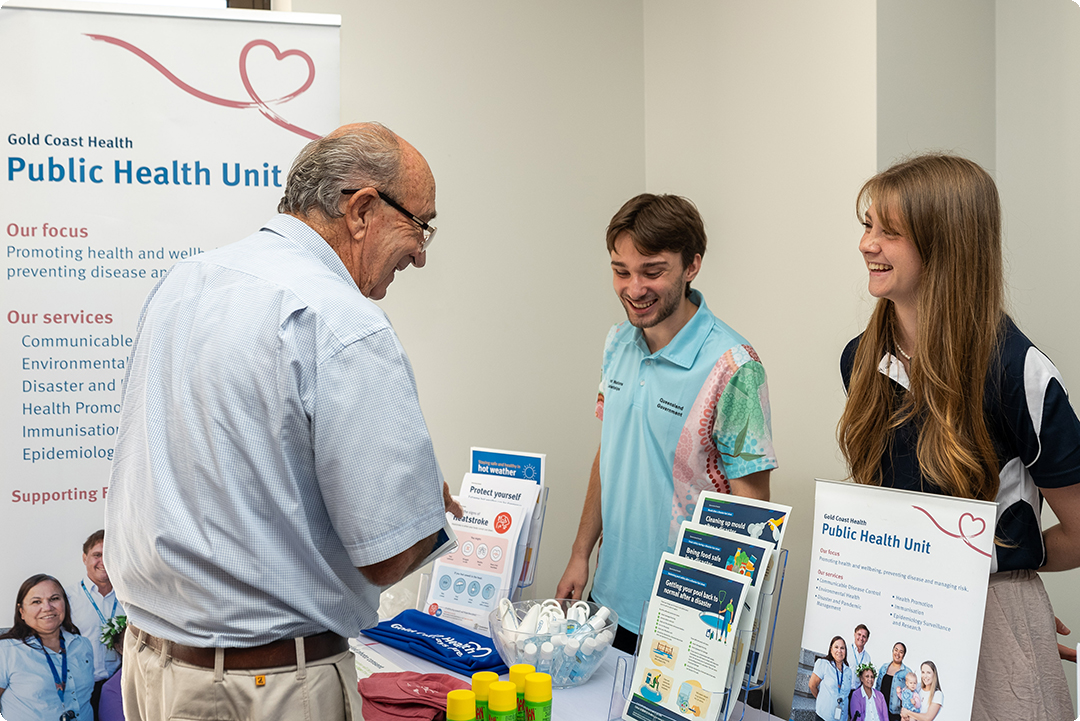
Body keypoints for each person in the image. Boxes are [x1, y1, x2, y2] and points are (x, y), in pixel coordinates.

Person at [105, 122, 462, 721]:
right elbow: (386, 553)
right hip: (261, 688)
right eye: (420, 226)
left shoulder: (185, 281)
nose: (422, 255)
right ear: (363, 209)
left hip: (148, 665)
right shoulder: (340, 319)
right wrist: (427, 513)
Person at [838, 153, 1080, 719]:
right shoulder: (861, 359)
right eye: (867, 226)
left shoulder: (1017, 372)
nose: (867, 244)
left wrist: (1011, 572)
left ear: (945, 244)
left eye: (889, 231)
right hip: (897, 611)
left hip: (992, 625)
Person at [556, 193, 778, 653]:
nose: (634, 289)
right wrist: (580, 553)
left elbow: (751, 511)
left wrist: (725, 627)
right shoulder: (617, 342)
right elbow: (612, 451)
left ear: (692, 265)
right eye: (621, 271)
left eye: (652, 271)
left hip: (685, 616)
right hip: (607, 600)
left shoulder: (734, 366)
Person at [0, 574, 95, 721]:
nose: (47, 607)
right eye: (36, 602)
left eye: (54, 599)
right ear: (22, 612)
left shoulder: (82, 645)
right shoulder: (6, 650)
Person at [69, 528, 125, 717]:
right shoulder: (67, 599)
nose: (103, 561)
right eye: (97, 555)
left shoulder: (129, 598)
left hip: (120, 686)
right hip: (82, 689)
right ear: (84, 558)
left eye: (109, 555)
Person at [809, 636, 854, 721]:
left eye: (842, 648)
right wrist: (822, 700)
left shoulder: (848, 671)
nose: (839, 651)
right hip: (824, 716)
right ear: (831, 649)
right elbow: (812, 685)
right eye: (836, 647)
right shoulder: (823, 664)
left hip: (842, 718)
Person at [874, 642, 911, 721]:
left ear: (904, 655)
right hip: (880, 710)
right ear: (892, 651)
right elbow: (877, 687)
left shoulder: (907, 672)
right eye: (896, 650)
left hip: (895, 713)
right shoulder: (884, 667)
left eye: (901, 652)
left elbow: (911, 693)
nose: (897, 653)